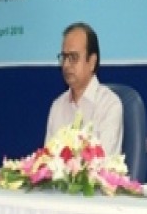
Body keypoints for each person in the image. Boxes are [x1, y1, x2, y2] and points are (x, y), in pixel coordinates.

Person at [45, 22, 123, 155]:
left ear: (92, 62)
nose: (66, 65)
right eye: (64, 57)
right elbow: (47, 162)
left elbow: (103, 164)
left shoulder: (109, 105)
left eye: (73, 57)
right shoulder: (57, 106)